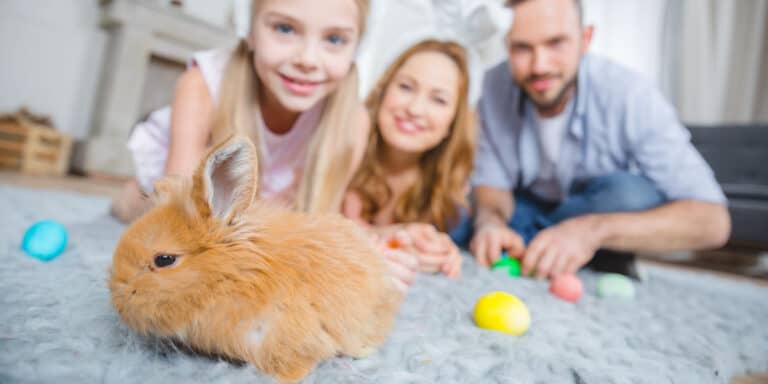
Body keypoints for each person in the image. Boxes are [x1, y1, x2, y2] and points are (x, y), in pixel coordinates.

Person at [110, 0, 418, 291]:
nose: (308, 60)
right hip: (193, 201)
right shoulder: (202, 84)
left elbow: (324, 219)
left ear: (356, 47)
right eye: (285, 29)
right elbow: (183, 221)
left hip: (271, 208)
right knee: (138, 208)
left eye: (335, 39)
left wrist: (376, 250)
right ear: (250, 29)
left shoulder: (352, 121)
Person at [469, 0, 731, 280]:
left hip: (595, 208)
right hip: (523, 209)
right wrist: (490, 223)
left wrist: (591, 231)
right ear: (506, 46)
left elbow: (713, 223)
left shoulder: (632, 95)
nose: (539, 66)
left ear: (585, 39)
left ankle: (548, 246)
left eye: (556, 43)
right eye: (522, 48)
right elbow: (491, 186)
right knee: (460, 211)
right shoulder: (489, 88)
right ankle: (541, 247)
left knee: (630, 194)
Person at [343, 40, 476, 279]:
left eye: (438, 100)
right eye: (406, 87)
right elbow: (325, 228)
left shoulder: (451, 185)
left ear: (452, 124)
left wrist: (437, 250)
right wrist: (397, 233)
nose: (414, 109)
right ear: (383, 91)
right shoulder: (347, 147)